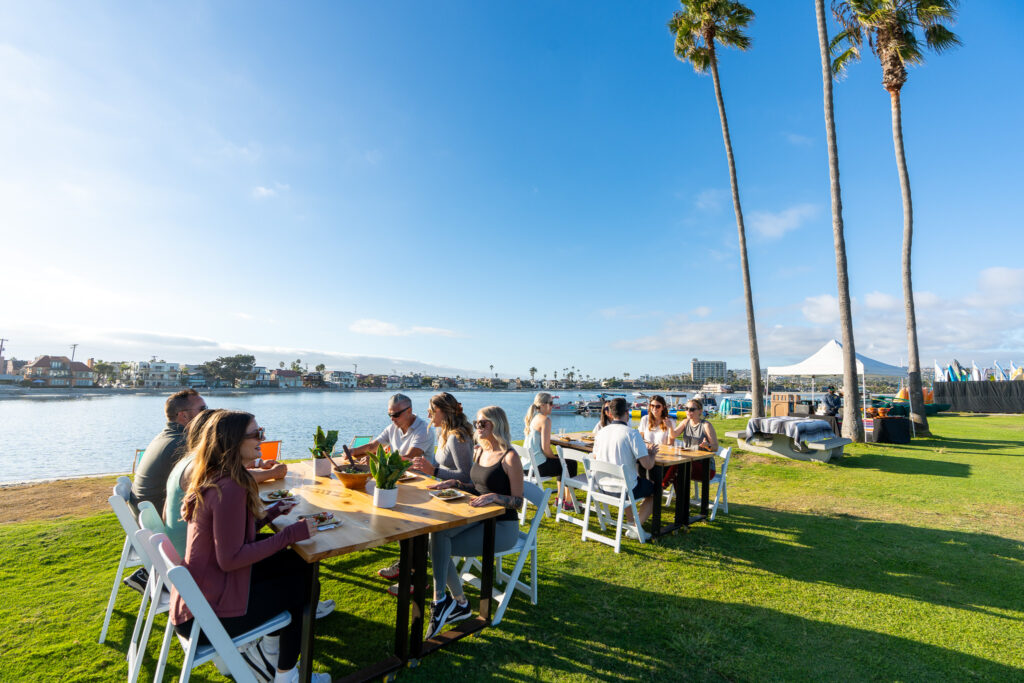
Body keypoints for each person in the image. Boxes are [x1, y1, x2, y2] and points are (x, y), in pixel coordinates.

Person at [168, 410, 332, 683]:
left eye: (261, 432)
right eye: (255, 434)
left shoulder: (218, 476)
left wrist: (270, 515)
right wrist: (290, 534)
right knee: (301, 586)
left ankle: (270, 653)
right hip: (207, 619)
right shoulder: (229, 488)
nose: (262, 439)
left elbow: (230, 537)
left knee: (298, 565)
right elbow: (230, 558)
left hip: (202, 599)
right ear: (232, 442)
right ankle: (286, 676)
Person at [426, 406, 523, 639]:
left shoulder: (510, 457)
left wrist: (495, 497)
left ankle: (446, 604)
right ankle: (454, 602)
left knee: (439, 546)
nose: (477, 427)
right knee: (437, 536)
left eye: (483, 423)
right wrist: (454, 484)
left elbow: (518, 502)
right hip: (478, 518)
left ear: (497, 425)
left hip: (502, 527)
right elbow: (475, 487)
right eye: (476, 422)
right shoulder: (480, 451)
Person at [379, 392, 476, 591]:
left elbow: (466, 476)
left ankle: (415, 578)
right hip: (442, 492)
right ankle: (409, 568)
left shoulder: (457, 437)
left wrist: (434, 471)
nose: (428, 414)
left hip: (459, 500)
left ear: (442, 412)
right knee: (405, 515)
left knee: (414, 522)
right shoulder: (445, 433)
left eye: (431, 411)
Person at [131, 389, 207, 516]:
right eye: (202, 409)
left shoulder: (167, 436)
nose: (207, 414)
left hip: (146, 511)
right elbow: (207, 482)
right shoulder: (181, 444)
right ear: (183, 415)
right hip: (158, 517)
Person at [591, 397, 658, 538]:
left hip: (602, 487)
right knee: (655, 489)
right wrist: (651, 454)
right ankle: (636, 528)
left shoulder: (601, 432)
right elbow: (648, 465)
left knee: (629, 481)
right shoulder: (631, 433)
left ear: (610, 413)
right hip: (624, 489)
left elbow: (595, 457)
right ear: (627, 413)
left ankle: (631, 521)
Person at [523, 392, 577, 510]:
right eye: (551, 403)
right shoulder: (545, 420)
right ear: (542, 405)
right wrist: (556, 458)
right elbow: (546, 449)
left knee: (565, 462)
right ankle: (567, 502)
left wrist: (557, 459)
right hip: (537, 467)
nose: (553, 406)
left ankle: (560, 498)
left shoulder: (533, 417)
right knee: (570, 463)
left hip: (526, 467)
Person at [346, 393, 435, 465]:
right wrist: (351, 451)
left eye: (396, 415)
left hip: (419, 480)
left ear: (409, 411)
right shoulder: (392, 428)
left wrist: (377, 460)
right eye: (390, 415)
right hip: (395, 475)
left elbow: (409, 458)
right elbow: (372, 447)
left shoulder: (423, 430)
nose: (392, 419)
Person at [669, 398, 718, 484]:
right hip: (688, 462)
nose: (688, 411)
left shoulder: (706, 425)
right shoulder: (685, 422)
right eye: (686, 409)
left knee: (678, 466)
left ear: (700, 411)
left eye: (692, 409)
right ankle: (681, 497)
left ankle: (661, 488)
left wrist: (707, 445)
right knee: (676, 468)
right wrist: (669, 427)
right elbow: (673, 435)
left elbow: (715, 447)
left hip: (706, 467)